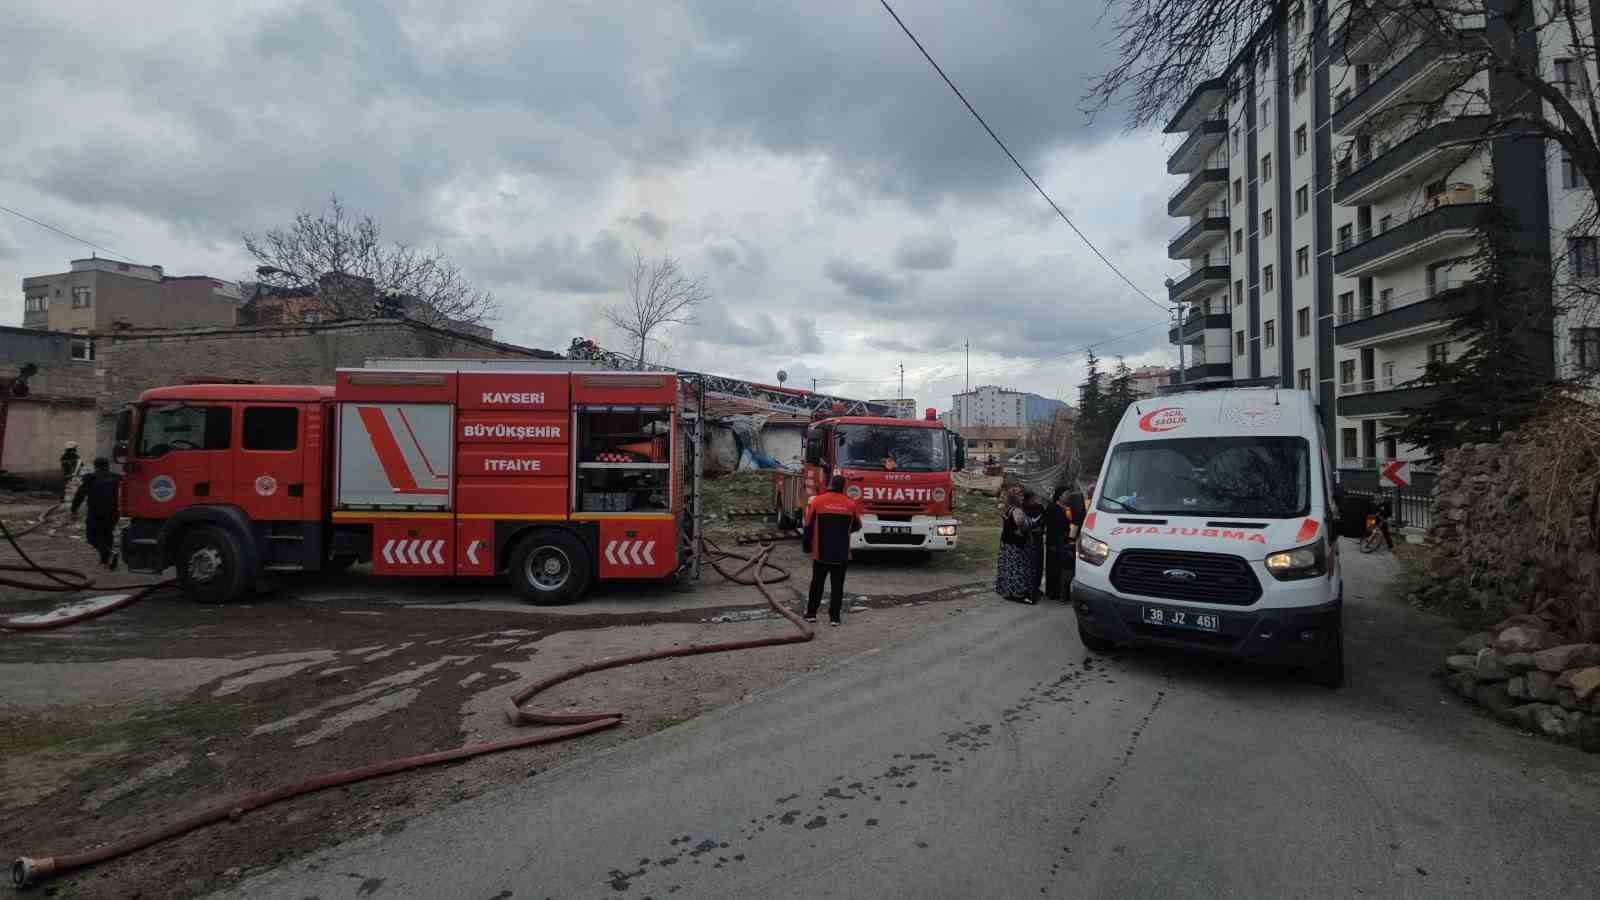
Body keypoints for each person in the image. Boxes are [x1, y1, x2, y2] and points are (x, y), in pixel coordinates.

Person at [802, 473, 863, 626]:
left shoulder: (817, 502)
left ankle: (811, 614)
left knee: (816, 584)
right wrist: (842, 532)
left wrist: (807, 546)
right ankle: (834, 618)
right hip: (841, 554)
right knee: (837, 586)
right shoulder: (850, 504)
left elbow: (808, 525)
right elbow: (857, 525)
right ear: (843, 488)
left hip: (821, 553)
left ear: (830, 485)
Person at [71, 457, 121, 570]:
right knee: (107, 534)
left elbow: (80, 494)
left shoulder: (90, 478)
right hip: (113, 512)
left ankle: (110, 553)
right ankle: (105, 560)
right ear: (108, 465)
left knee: (91, 536)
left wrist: (74, 508)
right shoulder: (116, 477)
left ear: (95, 466)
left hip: (97, 512)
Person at [995, 486, 1034, 603]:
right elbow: (1021, 524)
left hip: (1007, 543)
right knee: (1017, 568)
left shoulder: (1008, 508)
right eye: (1020, 495)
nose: (1022, 497)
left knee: (1008, 567)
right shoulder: (1017, 510)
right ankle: (1018, 593)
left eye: (1022, 495)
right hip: (1015, 545)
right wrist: (1026, 527)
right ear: (1014, 497)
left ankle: (1008, 591)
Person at [1042, 486, 1073, 602]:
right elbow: (1050, 527)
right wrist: (1052, 543)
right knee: (1054, 567)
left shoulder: (1068, 508)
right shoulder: (1052, 508)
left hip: (1066, 541)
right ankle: (1053, 592)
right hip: (1055, 542)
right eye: (1066, 494)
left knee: (1064, 568)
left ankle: (1063, 592)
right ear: (1059, 496)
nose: (1068, 496)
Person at [1022, 488, 1046, 600]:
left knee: (1038, 565)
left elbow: (1043, 523)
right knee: (1028, 565)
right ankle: (1027, 589)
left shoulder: (1040, 508)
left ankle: (1036, 588)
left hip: (1037, 540)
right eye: (1033, 498)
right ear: (1028, 500)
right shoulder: (1022, 509)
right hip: (1026, 541)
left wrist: (1040, 529)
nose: (1036, 500)